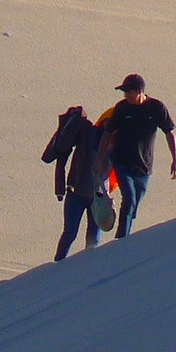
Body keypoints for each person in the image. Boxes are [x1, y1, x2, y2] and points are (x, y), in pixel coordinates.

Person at [96, 74, 176, 239]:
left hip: (144, 167)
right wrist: (99, 159)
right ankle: (121, 240)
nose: (125, 95)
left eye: (128, 92)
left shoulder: (156, 108)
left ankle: (125, 236)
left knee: (133, 206)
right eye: (124, 92)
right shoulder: (122, 108)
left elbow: (169, 133)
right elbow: (107, 133)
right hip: (122, 163)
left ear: (139, 91)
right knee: (129, 199)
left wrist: (175, 160)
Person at [42, 104, 114, 261]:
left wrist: (109, 196)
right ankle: (58, 264)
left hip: (98, 197)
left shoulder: (118, 143)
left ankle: (89, 268)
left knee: (93, 239)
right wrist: (60, 186)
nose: (109, 126)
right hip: (76, 193)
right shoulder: (88, 133)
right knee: (70, 233)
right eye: (107, 122)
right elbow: (63, 153)